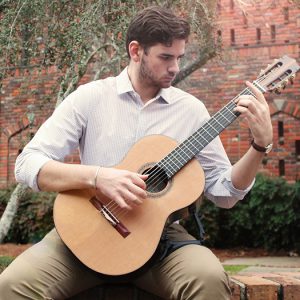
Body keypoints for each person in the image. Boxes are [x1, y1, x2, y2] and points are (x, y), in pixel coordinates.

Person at [0, 6, 273, 300]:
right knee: (12, 285)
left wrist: (259, 146)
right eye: (165, 57)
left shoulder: (191, 111)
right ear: (136, 51)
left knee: (207, 279)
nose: (175, 68)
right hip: (86, 229)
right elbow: (27, 164)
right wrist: (98, 177)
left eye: (179, 57)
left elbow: (225, 193)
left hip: (161, 241)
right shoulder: (90, 98)